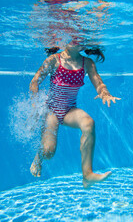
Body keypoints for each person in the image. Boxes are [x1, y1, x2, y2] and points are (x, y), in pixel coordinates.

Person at [29, 41, 121, 188]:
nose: (79, 41)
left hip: (69, 110)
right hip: (51, 110)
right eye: (74, 38)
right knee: (48, 152)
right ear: (64, 41)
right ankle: (39, 156)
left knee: (88, 123)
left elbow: (98, 82)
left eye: (82, 38)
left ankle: (87, 175)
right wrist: (34, 107)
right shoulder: (53, 60)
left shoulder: (87, 63)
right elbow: (34, 82)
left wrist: (105, 93)